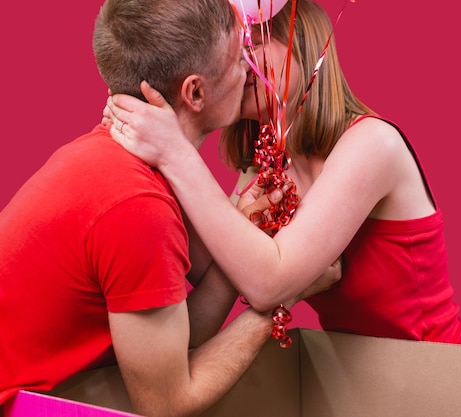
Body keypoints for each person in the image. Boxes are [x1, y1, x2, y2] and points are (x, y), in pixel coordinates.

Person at [0, 0, 338, 416]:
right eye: (238, 58)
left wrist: (245, 223)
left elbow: (177, 337)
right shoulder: (136, 205)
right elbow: (165, 403)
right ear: (195, 92)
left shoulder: (123, 159)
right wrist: (279, 304)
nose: (250, 68)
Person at [105, 0, 461, 344]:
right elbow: (219, 271)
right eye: (233, 49)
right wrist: (149, 139)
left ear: (302, 42)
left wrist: (175, 152)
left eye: (254, 41)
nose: (241, 61)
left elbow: (268, 283)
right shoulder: (267, 164)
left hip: (442, 373)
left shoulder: (372, 144)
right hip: (366, 390)